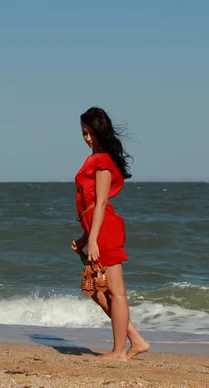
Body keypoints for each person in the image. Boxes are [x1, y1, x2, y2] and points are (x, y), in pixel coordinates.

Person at [71, 106, 150, 361]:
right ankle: (135, 340)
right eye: (84, 133)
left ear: (100, 132)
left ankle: (119, 352)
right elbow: (90, 204)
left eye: (91, 133)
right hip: (96, 229)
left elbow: (101, 202)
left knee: (115, 291)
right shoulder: (94, 158)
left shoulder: (103, 160)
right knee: (96, 289)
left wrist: (92, 238)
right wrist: (84, 238)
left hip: (105, 230)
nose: (87, 138)